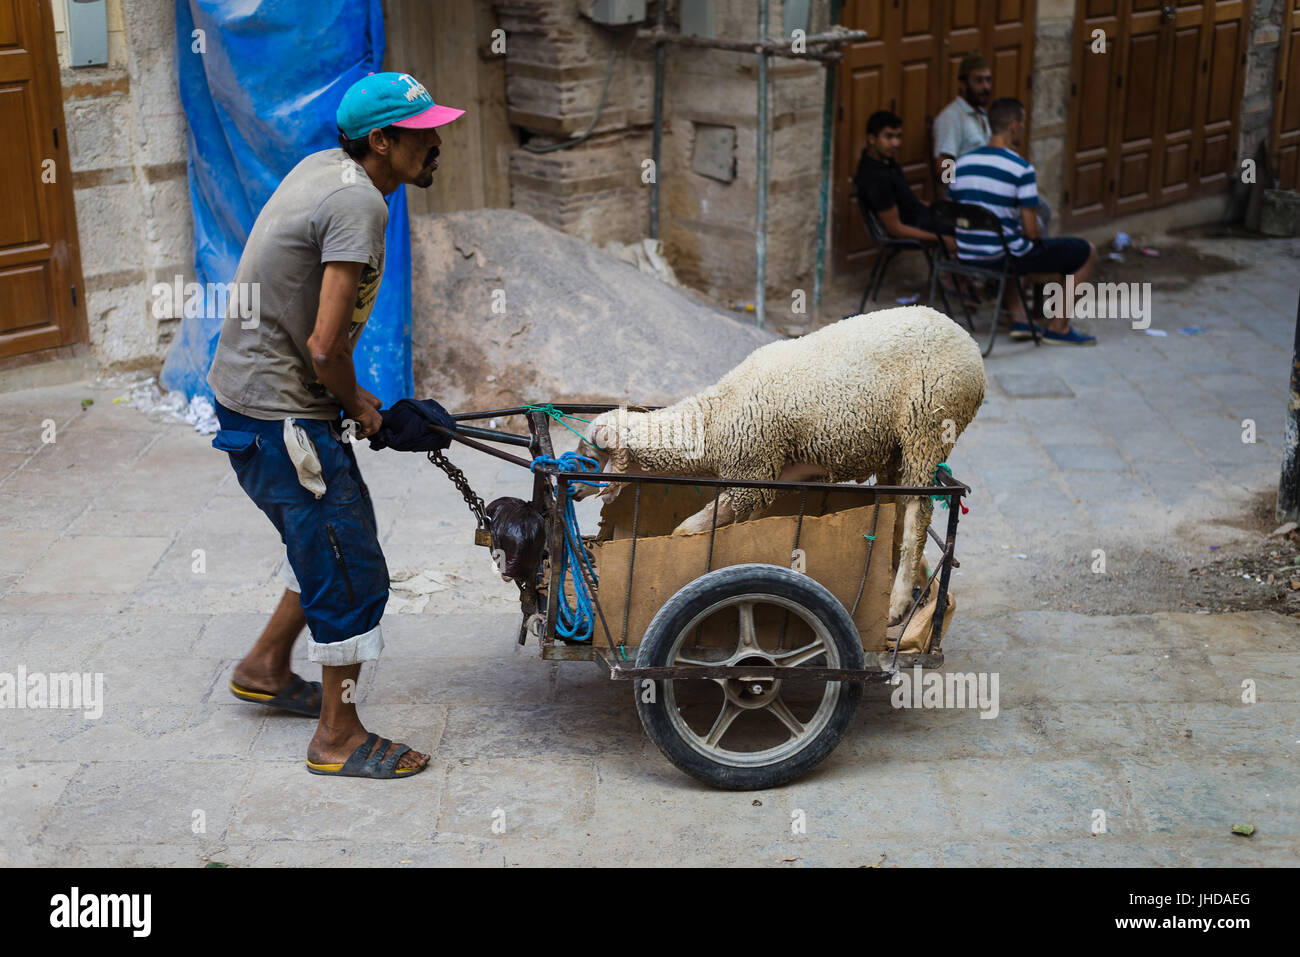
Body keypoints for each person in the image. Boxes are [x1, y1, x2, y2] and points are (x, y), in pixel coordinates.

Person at [206, 72, 465, 778]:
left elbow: (318, 338)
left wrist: (366, 404)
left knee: (333, 537)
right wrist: (361, 405)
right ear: (381, 141)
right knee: (350, 569)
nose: (436, 144)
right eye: (422, 135)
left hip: (255, 403)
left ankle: (264, 664)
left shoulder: (330, 169)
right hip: (277, 415)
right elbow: (324, 347)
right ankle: (337, 735)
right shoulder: (359, 203)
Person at [949, 97, 1097, 346]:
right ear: (1015, 126)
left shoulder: (960, 164)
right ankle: (1058, 327)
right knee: (1085, 251)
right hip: (1002, 257)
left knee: (1011, 243)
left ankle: (1019, 318)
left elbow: (953, 212)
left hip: (966, 254)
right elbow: (1032, 234)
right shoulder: (1021, 169)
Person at [853, 110, 938, 243]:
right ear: (872, 139)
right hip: (920, 224)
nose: (896, 143)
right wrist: (940, 239)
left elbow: (910, 201)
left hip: (925, 215)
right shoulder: (875, 177)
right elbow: (895, 229)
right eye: (889, 137)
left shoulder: (888, 163)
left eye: (898, 137)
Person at [933, 51, 992, 196]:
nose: (986, 87)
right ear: (962, 84)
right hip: (967, 198)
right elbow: (944, 167)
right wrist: (951, 200)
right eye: (978, 81)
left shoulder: (982, 115)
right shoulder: (951, 117)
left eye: (988, 80)